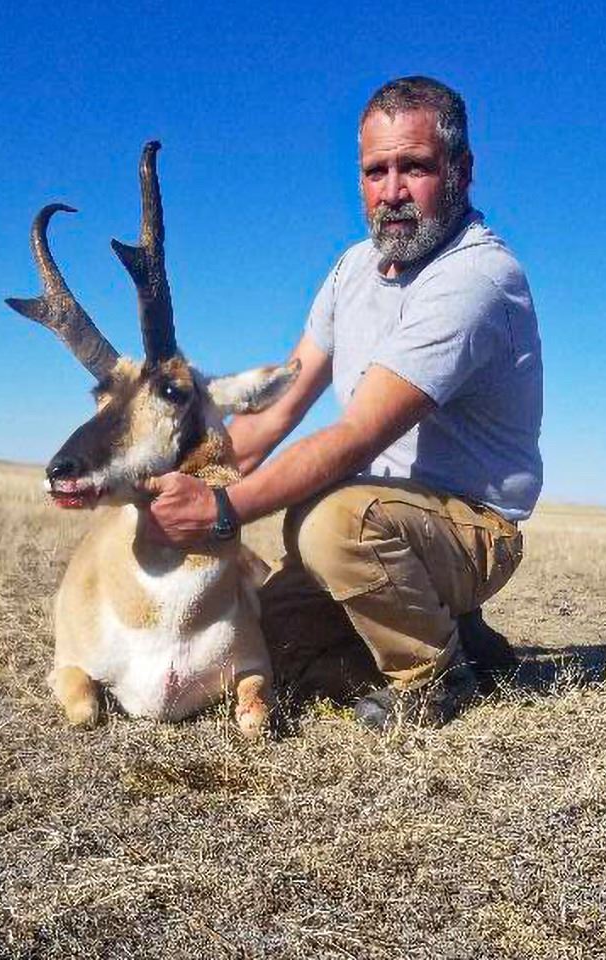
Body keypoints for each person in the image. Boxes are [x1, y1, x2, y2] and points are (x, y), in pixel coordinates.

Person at [144, 76, 543, 728]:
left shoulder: (475, 279)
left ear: (462, 170)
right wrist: (181, 476)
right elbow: (278, 408)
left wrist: (218, 510)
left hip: (469, 532)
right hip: (381, 526)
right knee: (259, 643)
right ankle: (461, 641)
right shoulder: (352, 268)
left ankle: (433, 679)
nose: (392, 192)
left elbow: (358, 433)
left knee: (327, 521)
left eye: (414, 168)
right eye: (375, 171)